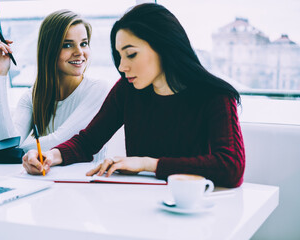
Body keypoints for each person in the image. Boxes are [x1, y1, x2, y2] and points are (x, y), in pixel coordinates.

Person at [22, 3, 245, 188]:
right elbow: (87, 142)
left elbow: (231, 167)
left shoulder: (215, 96)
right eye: (119, 56)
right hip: (138, 205)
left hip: (192, 212)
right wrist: (50, 156)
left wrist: (147, 164)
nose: (122, 66)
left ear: (164, 46)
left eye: (131, 54)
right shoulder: (127, 90)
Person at [0, 10, 111, 162]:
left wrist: (7, 152)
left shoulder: (98, 90)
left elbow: (60, 140)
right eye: (67, 45)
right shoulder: (32, 97)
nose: (79, 52)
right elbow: (5, 143)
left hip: (85, 183)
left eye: (84, 44)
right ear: (49, 50)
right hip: (46, 180)